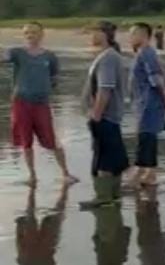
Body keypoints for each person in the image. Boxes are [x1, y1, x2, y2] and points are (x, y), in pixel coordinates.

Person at [1, 22, 77, 185]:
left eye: (34, 32)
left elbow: (54, 78)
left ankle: (66, 173)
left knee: (52, 139)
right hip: (21, 103)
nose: (30, 36)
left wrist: (47, 91)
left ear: (41, 34)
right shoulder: (17, 53)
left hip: (41, 103)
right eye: (27, 33)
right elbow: (3, 58)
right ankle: (32, 176)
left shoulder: (49, 56)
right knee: (26, 141)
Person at [80, 21, 129, 210]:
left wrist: (96, 115)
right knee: (112, 155)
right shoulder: (108, 56)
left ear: (103, 34)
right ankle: (114, 196)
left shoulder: (108, 57)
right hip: (109, 116)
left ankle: (104, 197)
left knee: (104, 157)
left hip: (105, 116)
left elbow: (105, 89)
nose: (91, 36)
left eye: (93, 31)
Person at [128, 23, 165, 188]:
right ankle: (150, 172)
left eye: (133, 34)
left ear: (142, 35)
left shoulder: (147, 53)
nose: (130, 38)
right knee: (148, 136)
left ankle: (142, 171)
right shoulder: (142, 53)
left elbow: (155, 78)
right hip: (143, 102)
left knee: (145, 136)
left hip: (148, 102)